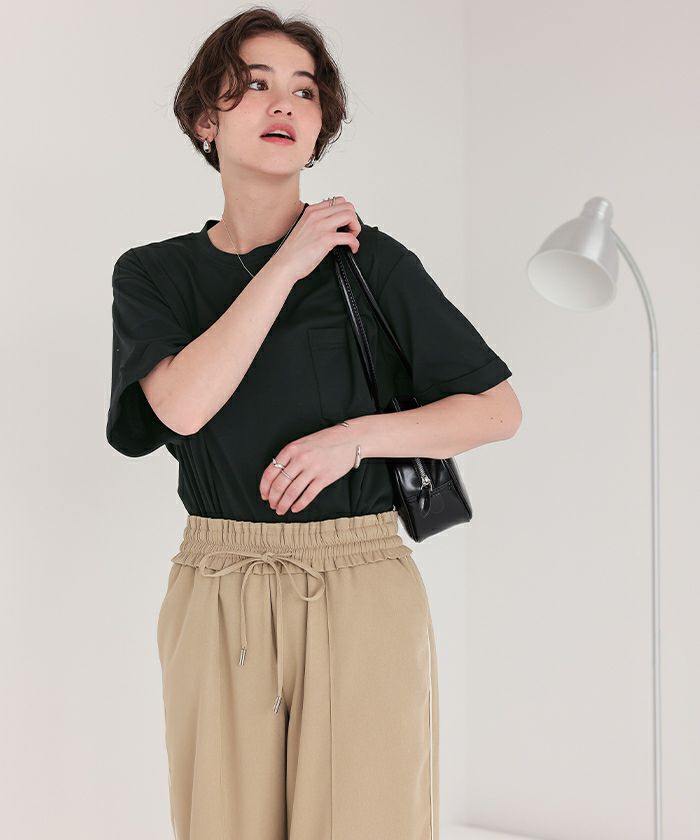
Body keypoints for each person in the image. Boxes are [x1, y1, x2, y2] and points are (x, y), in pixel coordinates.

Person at [106, 8, 522, 840]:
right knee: (223, 823)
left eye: (304, 90)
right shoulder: (154, 274)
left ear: (321, 123)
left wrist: (354, 440)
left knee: (367, 820)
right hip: (219, 580)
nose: (283, 104)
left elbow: (495, 410)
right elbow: (181, 406)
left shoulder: (372, 261)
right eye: (254, 85)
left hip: (361, 579)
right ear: (205, 119)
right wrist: (290, 261)